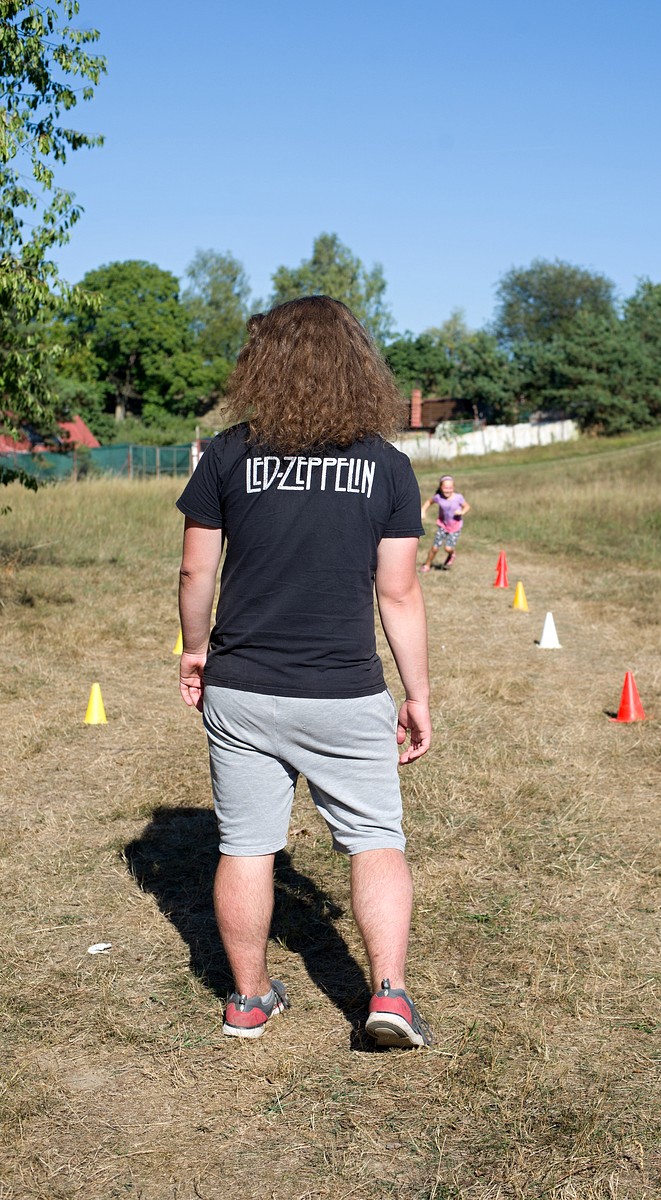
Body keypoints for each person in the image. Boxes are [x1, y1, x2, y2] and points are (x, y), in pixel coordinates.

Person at [176, 296, 433, 1049]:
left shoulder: (227, 454)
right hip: (344, 693)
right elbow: (398, 592)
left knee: (246, 846)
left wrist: (194, 648)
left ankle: (248, 1000)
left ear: (263, 365)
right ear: (360, 368)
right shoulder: (388, 466)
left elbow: (195, 571)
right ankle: (389, 997)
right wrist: (417, 695)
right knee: (375, 840)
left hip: (241, 689)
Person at [419, 475, 471, 572]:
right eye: (445, 488)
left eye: (450, 488)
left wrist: (462, 512)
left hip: (455, 527)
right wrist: (423, 510)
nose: (448, 490)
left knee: (448, 548)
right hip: (443, 526)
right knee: (435, 548)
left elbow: (467, 506)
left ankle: (452, 554)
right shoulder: (439, 497)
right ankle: (427, 565)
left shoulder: (458, 497)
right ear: (440, 487)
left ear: (453, 488)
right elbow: (429, 502)